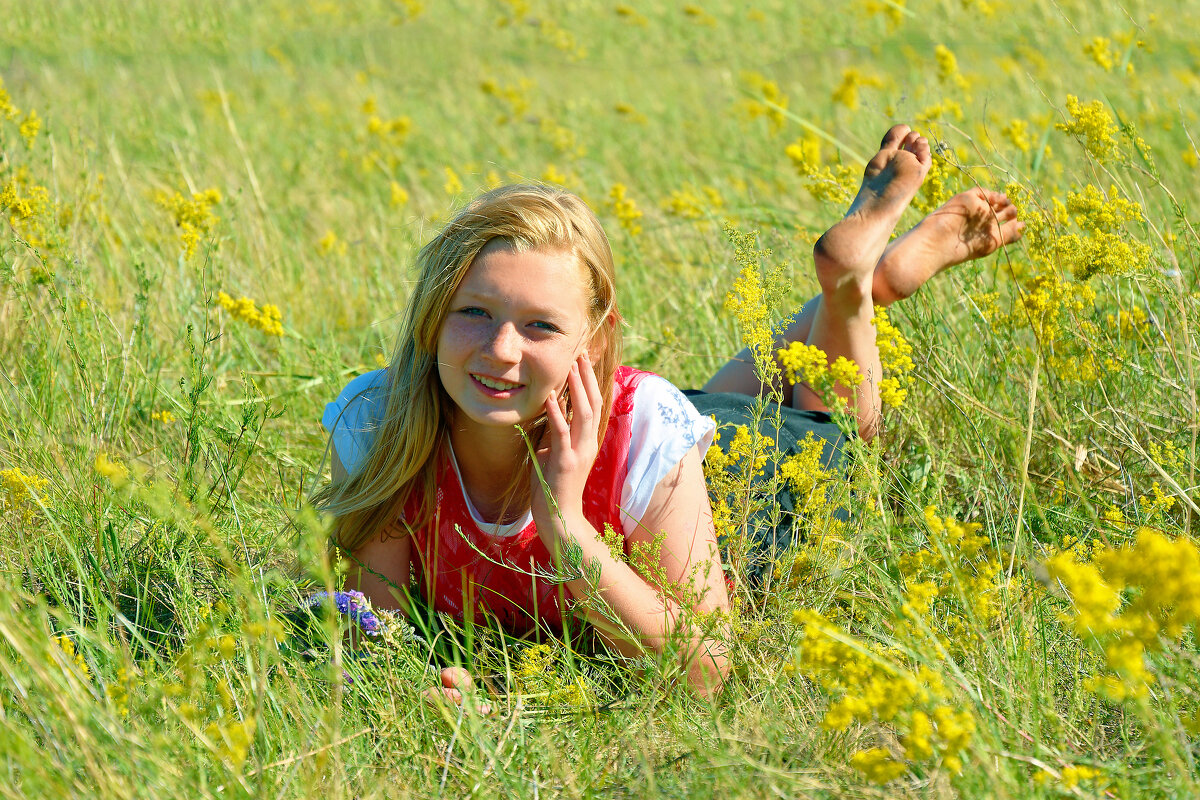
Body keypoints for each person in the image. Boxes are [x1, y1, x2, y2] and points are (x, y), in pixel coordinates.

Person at [314, 124, 1024, 703]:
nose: (499, 351)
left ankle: (850, 296)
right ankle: (867, 284)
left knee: (837, 429)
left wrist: (565, 527)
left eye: (539, 327)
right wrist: (423, 692)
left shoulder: (648, 425)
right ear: (433, 317)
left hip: (742, 479)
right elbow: (382, 630)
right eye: (474, 313)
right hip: (680, 429)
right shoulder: (383, 422)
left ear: (594, 342)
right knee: (718, 402)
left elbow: (706, 673)